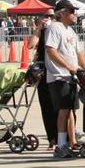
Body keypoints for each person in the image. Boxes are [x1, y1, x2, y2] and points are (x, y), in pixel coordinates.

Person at [44, 0, 85, 158]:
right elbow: (51, 50)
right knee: (63, 110)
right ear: (62, 13)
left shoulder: (70, 31)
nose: (74, 14)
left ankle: (70, 142)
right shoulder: (54, 28)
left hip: (72, 77)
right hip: (59, 76)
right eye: (72, 11)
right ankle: (61, 145)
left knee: (70, 109)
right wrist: (68, 66)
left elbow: (78, 52)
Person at [29, 10, 61, 149]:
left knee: (60, 106)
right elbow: (31, 45)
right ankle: (52, 138)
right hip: (43, 71)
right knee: (46, 106)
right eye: (46, 16)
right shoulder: (42, 31)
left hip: (58, 70)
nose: (48, 18)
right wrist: (38, 29)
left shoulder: (60, 30)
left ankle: (64, 137)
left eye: (51, 16)